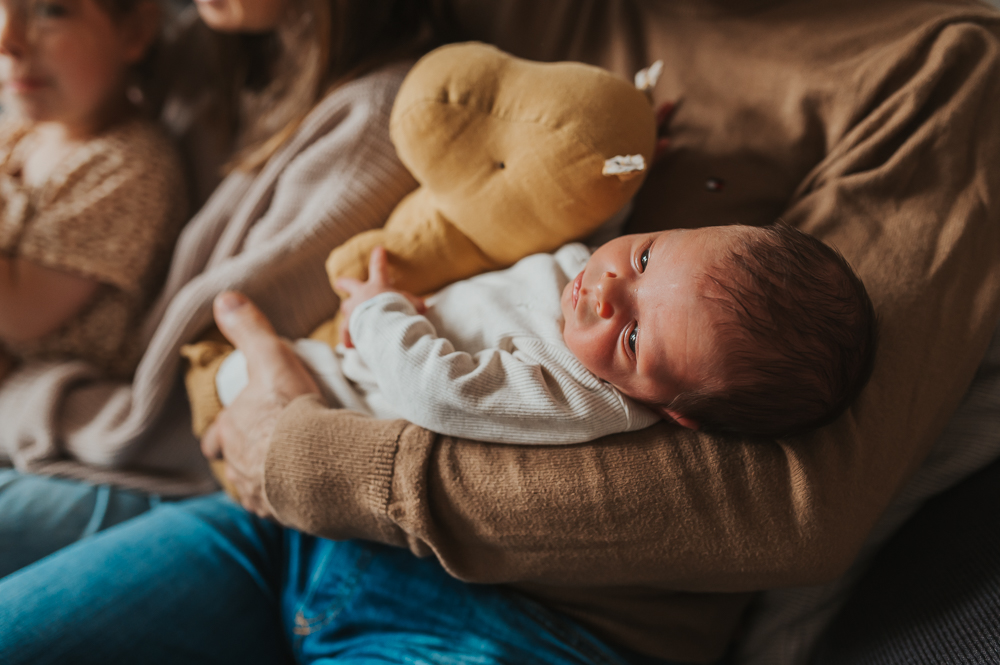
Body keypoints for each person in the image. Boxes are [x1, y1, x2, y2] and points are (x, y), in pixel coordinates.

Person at [1, 1, 999, 665]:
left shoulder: (935, 70)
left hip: (516, 615)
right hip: (277, 510)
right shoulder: (535, 10)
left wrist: (309, 452)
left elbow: (790, 504)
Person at [0, 0, 438, 574]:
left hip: (164, 468)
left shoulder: (369, 121)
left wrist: (17, 399)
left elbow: (186, 402)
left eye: (50, 11)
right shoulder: (206, 53)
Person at [218, 224, 876, 443]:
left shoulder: (582, 391)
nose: (610, 287)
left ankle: (236, 397)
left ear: (678, 411)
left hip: (357, 389)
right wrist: (629, 154)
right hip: (391, 337)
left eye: (634, 339)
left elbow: (438, 395)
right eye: (645, 258)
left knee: (235, 381)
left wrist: (377, 311)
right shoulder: (598, 273)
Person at [0, 0, 186, 382]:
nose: (7, 40)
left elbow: (20, 312)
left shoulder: (130, 166)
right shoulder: (20, 134)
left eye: (49, 11)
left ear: (134, 30)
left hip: (52, 373)